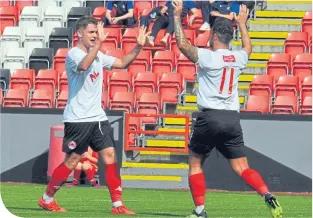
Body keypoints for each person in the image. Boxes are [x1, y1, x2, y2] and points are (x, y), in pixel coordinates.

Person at [171, 0, 283, 218]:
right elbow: (248, 48)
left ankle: (200, 211)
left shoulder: (208, 57)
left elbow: (183, 45)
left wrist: (176, 18)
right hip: (232, 119)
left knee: (195, 163)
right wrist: (242, 22)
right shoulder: (239, 58)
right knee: (242, 166)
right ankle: (267, 195)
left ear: (213, 37)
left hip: (209, 116)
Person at [38, 16, 149, 214]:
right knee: (72, 161)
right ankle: (47, 199)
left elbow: (122, 62)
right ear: (79, 34)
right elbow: (83, 66)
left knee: (110, 155)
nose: (95, 35)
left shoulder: (97, 53)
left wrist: (138, 47)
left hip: (97, 117)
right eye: (91, 32)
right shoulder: (73, 54)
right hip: (78, 119)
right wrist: (98, 45)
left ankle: (117, 205)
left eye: (96, 32)